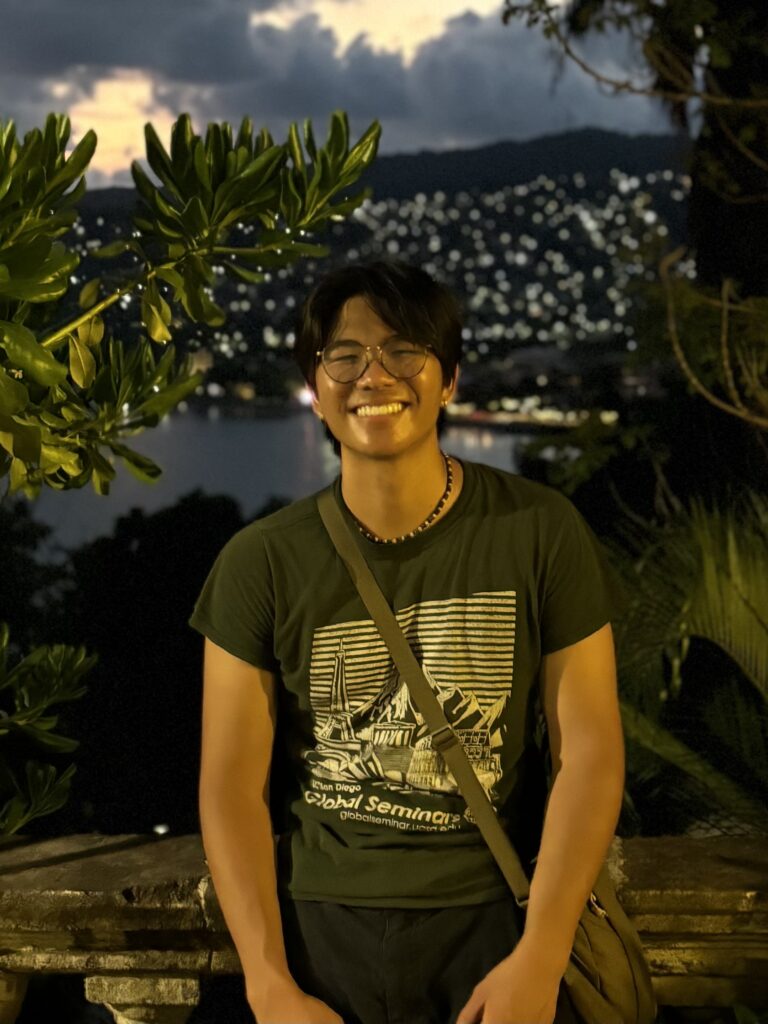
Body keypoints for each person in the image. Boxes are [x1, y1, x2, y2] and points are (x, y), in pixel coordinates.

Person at [189, 260, 626, 1024]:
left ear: (448, 378)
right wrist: (269, 985)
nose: (373, 375)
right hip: (320, 934)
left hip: (493, 918)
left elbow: (588, 750)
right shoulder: (260, 562)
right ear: (316, 385)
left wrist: (541, 956)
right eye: (345, 355)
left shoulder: (539, 531)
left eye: (403, 351)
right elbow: (230, 786)